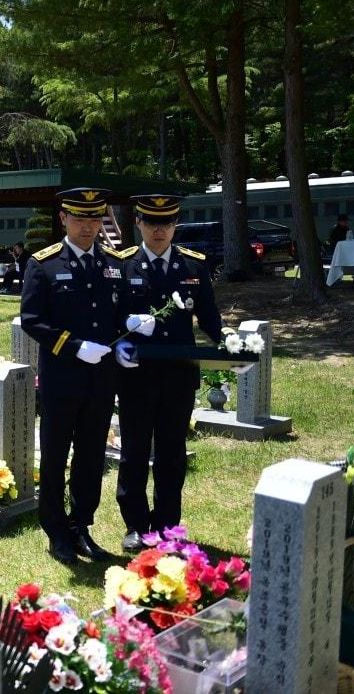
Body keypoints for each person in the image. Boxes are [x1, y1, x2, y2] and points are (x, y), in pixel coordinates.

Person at [20, 187, 127, 565]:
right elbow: (33, 320)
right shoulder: (43, 263)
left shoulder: (114, 263)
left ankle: (82, 525)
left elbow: (120, 315)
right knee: (54, 455)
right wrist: (73, 345)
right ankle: (56, 532)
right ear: (63, 218)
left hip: (101, 380)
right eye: (80, 218)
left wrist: (126, 339)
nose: (88, 226)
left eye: (95, 218)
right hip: (62, 377)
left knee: (91, 455)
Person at [115, 195, 227, 552]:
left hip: (179, 376)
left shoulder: (193, 266)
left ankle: (166, 525)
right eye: (151, 222)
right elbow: (108, 314)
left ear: (176, 224)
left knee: (171, 452)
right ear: (139, 223)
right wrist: (122, 331)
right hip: (136, 375)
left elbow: (209, 316)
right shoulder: (122, 266)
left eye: (166, 223)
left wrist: (229, 342)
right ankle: (134, 524)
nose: (159, 230)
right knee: (134, 450)